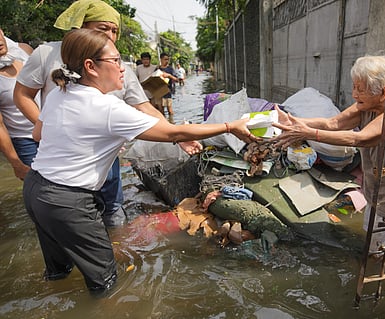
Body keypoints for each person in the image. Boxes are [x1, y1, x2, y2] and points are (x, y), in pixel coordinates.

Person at [23, 28, 258, 293]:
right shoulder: (107, 108)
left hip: (35, 189)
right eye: (115, 60)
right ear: (91, 67)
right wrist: (229, 126)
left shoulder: (59, 93)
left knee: (58, 271)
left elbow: (37, 133)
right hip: (67, 202)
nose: (123, 68)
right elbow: (173, 132)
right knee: (106, 284)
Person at [14, 0, 201, 227]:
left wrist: (176, 137)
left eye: (114, 31)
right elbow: (22, 95)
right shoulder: (47, 54)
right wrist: (44, 127)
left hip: (105, 153)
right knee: (60, 214)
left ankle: (115, 253)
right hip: (61, 160)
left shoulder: (118, 65)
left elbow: (145, 107)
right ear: (79, 25)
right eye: (103, 28)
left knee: (111, 209)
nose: (111, 36)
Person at [273, 55, 385, 262]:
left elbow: (362, 139)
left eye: (360, 89)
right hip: (379, 177)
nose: (354, 94)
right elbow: (334, 123)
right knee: (376, 233)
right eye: (354, 87)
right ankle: (375, 258)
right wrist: (296, 122)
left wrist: (308, 134)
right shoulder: (368, 104)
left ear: (383, 91)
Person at [0, 28, 35, 180]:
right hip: (25, 141)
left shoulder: (24, 50)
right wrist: (16, 164)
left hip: (52, 130)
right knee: (41, 188)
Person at [158, 52, 178, 117]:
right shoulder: (157, 69)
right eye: (165, 59)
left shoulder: (170, 69)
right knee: (161, 110)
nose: (166, 61)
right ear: (161, 59)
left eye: (167, 59)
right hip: (159, 92)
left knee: (170, 110)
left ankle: (171, 122)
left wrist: (169, 76)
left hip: (168, 91)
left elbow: (176, 79)